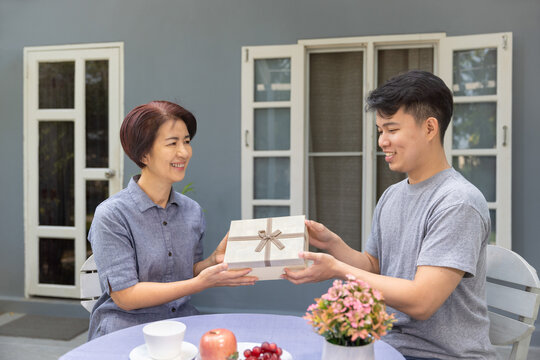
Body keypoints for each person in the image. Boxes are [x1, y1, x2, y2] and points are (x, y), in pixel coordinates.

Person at [282, 70, 496, 359]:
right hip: (389, 346)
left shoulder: (458, 202)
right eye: (380, 131)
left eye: (392, 130)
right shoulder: (393, 196)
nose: (382, 141)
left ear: (430, 128)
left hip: (441, 354)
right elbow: (374, 266)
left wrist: (336, 269)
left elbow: (422, 301)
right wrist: (334, 245)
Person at [87, 101, 257, 340]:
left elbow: (185, 272)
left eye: (186, 141)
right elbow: (125, 296)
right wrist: (200, 283)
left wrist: (211, 262)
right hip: (125, 331)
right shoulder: (112, 215)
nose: (184, 152)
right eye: (172, 143)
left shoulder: (192, 211)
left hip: (182, 327)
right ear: (144, 154)